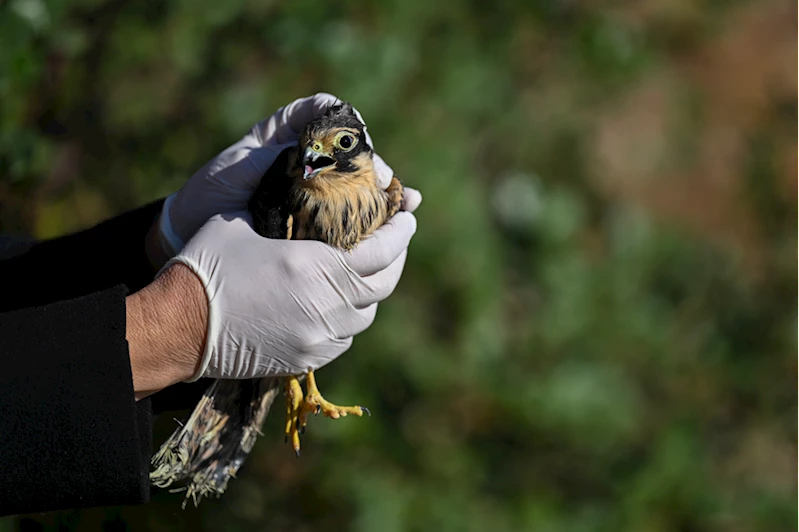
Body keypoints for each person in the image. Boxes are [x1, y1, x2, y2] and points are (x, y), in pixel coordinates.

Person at [0, 93, 421, 517]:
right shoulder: (289, 197)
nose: (318, 154)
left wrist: (157, 244)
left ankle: (299, 381)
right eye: (311, 146)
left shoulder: (385, 196)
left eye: (343, 144)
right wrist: (174, 327)